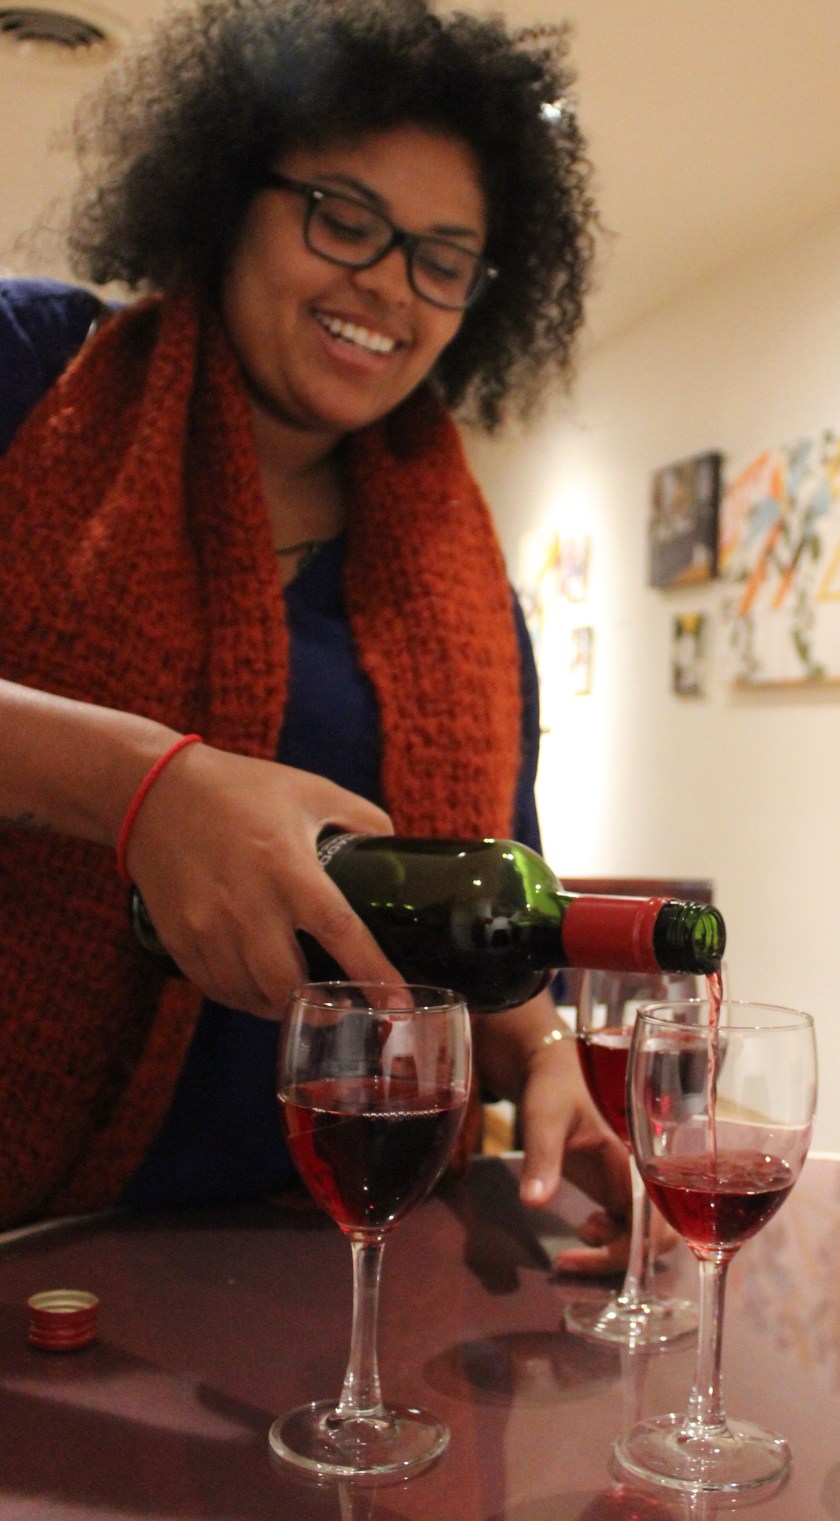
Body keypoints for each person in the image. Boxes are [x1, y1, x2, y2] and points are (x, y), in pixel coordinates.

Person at [0, 0, 630, 1264]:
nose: (390, 283)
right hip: (36, 1248)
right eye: (344, 217)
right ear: (228, 198)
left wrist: (548, 1053)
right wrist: (139, 789)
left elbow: (467, 926)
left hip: (338, 1255)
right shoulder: (32, 375)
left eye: (443, 259)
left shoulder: (471, 590)